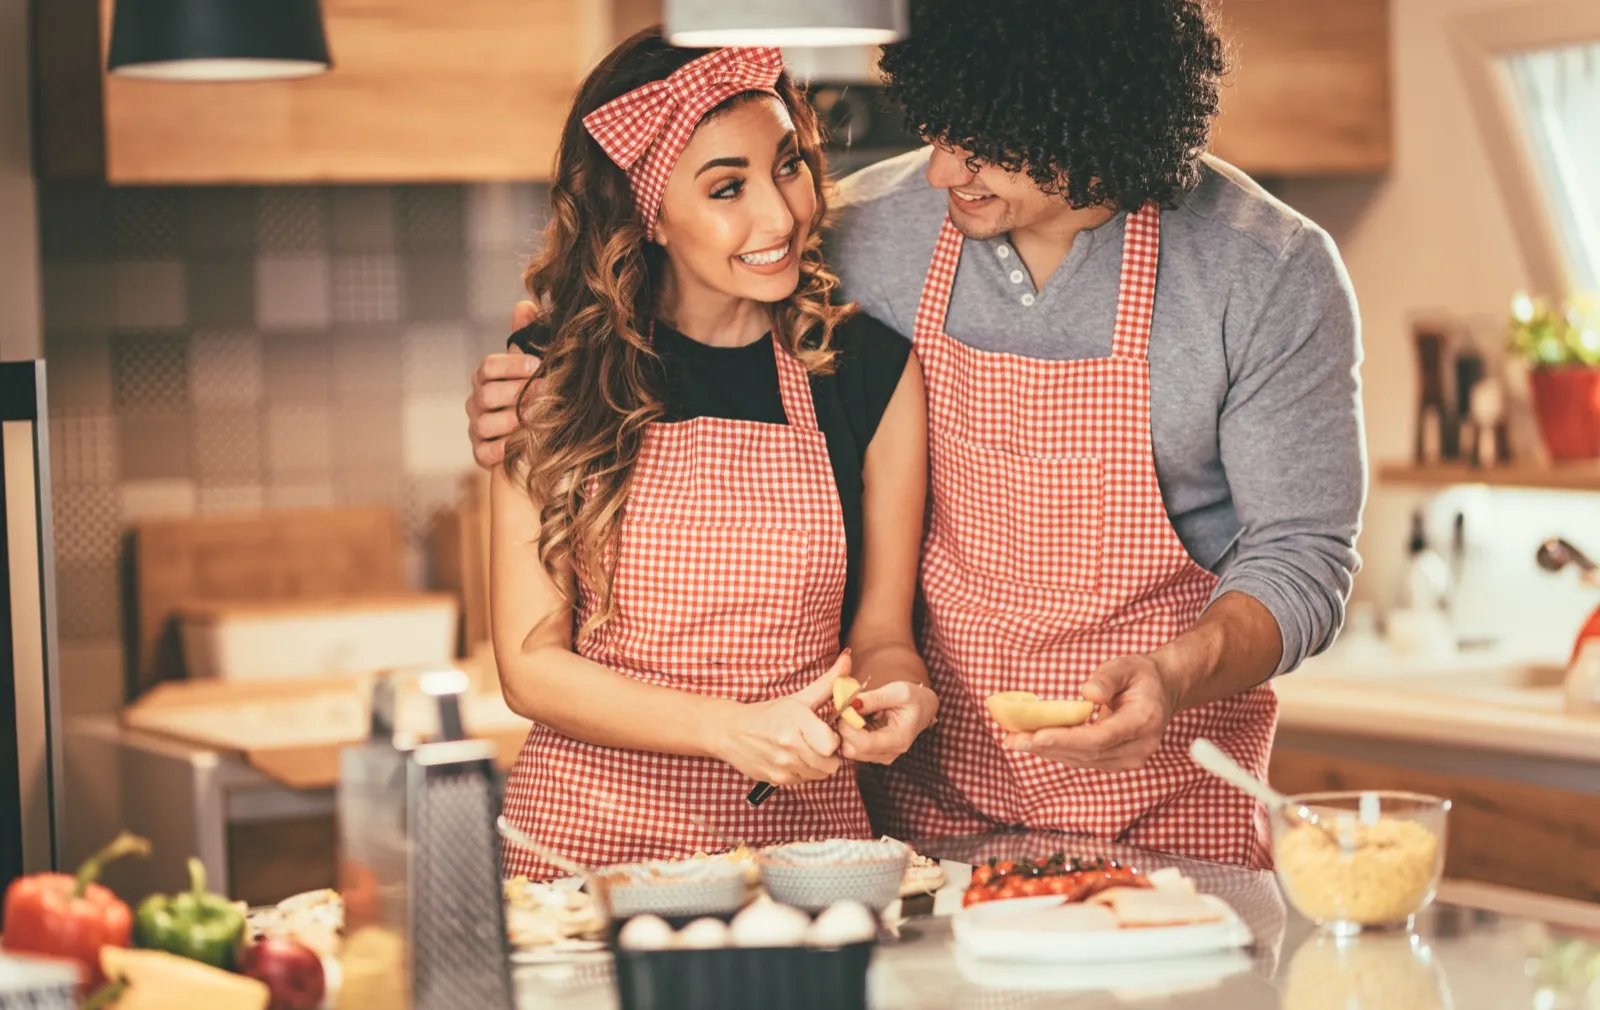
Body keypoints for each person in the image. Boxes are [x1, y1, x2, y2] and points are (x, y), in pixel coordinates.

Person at [470, 0, 1365, 870]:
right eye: (937, 128)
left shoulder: (1264, 271)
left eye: (981, 148)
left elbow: (1303, 556)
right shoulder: (857, 234)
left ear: (1093, 129)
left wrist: (1174, 675)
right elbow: (666, 307)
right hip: (917, 827)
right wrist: (530, 384)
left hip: (1168, 811)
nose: (939, 173)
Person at [490, 34, 937, 880]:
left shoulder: (870, 372)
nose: (779, 215)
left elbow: (882, 634)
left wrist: (898, 694)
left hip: (804, 861)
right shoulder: (548, 373)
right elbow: (530, 665)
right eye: (727, 187)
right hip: (584, 858)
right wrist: (730, 730)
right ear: (647, 213)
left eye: (790, 165)